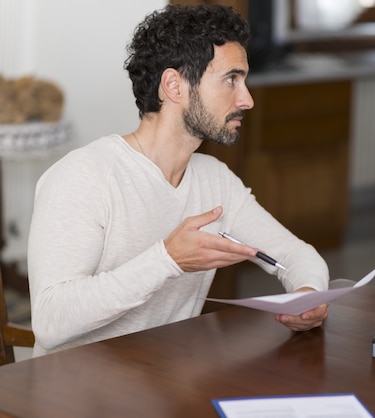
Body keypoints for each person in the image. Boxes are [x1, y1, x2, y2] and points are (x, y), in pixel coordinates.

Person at [27, 4, 330, 356]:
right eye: (231, 79)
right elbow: (50, 323)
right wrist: (167, 259)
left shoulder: (215, 180)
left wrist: (310, 295)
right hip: (74, 395)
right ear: (174, 85)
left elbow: (298, 256)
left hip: (169, 385)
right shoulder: (84, 176)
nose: (246, 99)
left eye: (244, 80)